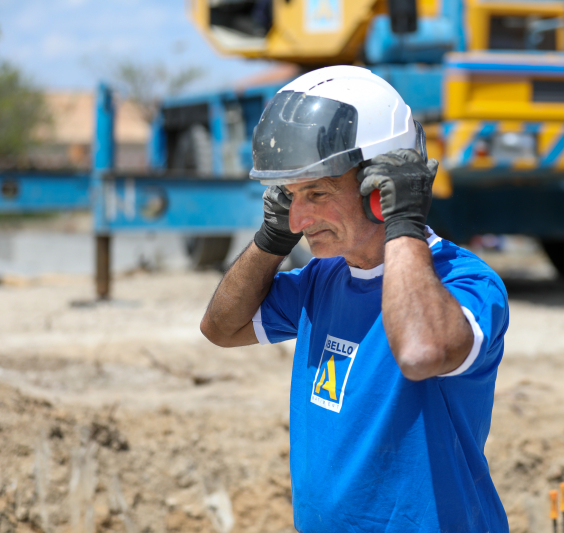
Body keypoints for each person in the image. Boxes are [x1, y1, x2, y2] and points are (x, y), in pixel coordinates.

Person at [200, 66, 510, 532]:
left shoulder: (466, 283)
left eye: (317, 193)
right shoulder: (322, 280)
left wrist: (403, 222)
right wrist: (270, 239)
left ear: (379, 191)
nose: (298, 219)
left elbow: (422, 351)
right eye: (289, 197)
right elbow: (221, 328)